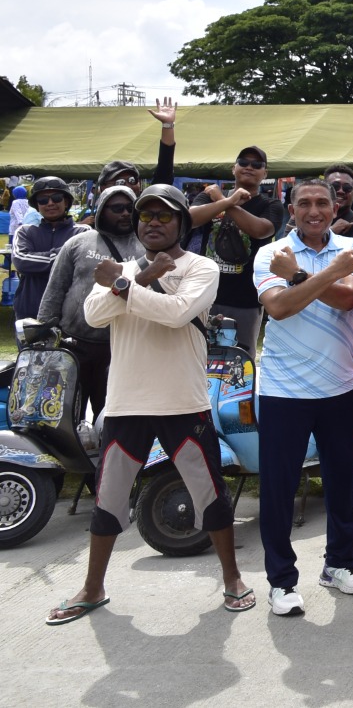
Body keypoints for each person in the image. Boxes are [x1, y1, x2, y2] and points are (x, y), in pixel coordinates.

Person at [47, 185, 252, 624]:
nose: (153, 222)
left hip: (182, 400)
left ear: (183, 223)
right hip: (127, 402)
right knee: (109, 497)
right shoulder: (123, 267)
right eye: (146, 216)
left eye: (164, 215)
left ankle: (233, 579)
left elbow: (177, 313)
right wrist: (136, 276)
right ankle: (92, 587)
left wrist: (123, 285)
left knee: (209, 493)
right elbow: (95, 315)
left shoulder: (201, 267)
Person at [253, 179, 353, 617]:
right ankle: (281, 582)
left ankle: (339, 564)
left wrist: (298, 277)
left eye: (323, 202)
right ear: (291, 210)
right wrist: (317, 275)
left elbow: (347, 298)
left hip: (341, 386)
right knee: (278, 489)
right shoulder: (272, 253)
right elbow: (279, 308)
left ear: (335, 206)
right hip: (284, 390)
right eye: (304, 203)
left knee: (342, 483)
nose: (314, 210)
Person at [36, 184, 138, 420]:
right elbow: (55, 289)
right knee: (67, 416)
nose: (125, 213)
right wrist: (44, 333)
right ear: (101, 210)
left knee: (111, 417)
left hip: (119, 349)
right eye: (117, 208)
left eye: (130, 208)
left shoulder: (146, 247)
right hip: (73, 346)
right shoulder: (78, 243)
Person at [189, 146, 286, 356]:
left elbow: (260, 230)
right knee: (195, 356)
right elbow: (191, 218)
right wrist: (226, 200)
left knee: (240, 362)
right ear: (234, 168)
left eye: (257, 164)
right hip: (204, 294)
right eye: (243, 162)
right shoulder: (209, 196)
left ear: (265, 173)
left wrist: (224, 202)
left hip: (245, 299)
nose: (249, 167)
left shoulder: (271, 204)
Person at [12, 176, 88, 321]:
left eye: (57, 198)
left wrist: (38, 262)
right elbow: (21, 261)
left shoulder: (83, 232)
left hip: (69, 316)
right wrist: (66, 255)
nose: (50, 203)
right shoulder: (25, 231)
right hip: (30, 313)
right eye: (43, 200)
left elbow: (83, 264)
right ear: (37, 205)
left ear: (66, 202)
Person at [323, 164, 353, 241]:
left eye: (347, 188)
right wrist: (332, 231)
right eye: (335, 186)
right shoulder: (312, 217)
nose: (341, 191)